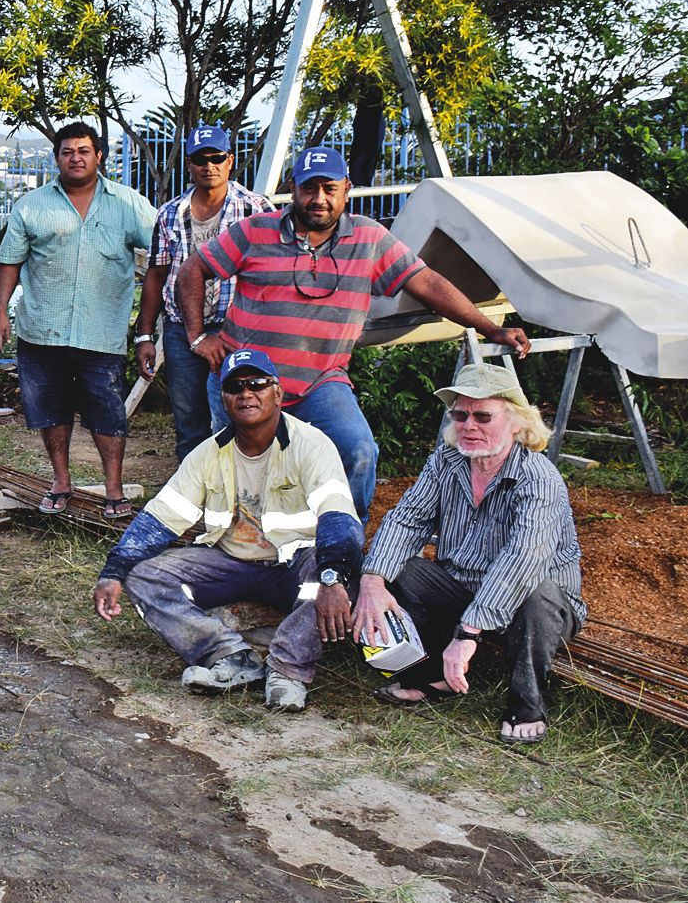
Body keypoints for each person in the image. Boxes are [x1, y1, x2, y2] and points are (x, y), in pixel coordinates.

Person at [178, 145, 530, 519]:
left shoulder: (369, 239)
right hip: (246, 382)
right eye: (309, 189)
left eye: (329, 189)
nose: (319, 199)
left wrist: (490, 328)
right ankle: (236, 548)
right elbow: (191, 271)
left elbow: (427, 283)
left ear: (347, 188)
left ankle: (343, 543)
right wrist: (199, 337)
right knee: (238, 474)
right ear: (293, 188)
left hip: (320, 382)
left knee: (358, 450)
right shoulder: (255, 231)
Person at [92, 350, 362, 712]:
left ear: (277, 394)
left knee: (340, 575)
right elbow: (160, 519)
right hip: (231, 564)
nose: (246, 394)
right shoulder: (208, 453)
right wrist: (113, 572)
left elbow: (338, 518)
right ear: (223, 399)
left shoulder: (311, 445)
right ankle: (231, 656)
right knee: (143, 576)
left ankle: (288, 669)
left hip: (294, 567)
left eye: (257, 384)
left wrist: (332, 578)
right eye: (235, 387)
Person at [356, 363, 584, 745]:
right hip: (463, 588)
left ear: (516, 423)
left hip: (535, 604)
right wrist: (372, 580)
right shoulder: (446, 461)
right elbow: (407, 520)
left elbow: (522, 561)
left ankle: (527, 704)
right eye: (460, 415)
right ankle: (432, 676)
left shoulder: (539, 479)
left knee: (536, 593)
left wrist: (468, 633)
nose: (469, 425)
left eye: (483, 416)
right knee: (398, 570)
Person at [0, 121, 157, 520]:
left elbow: (164, 251)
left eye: (84, 150)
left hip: (102, 333)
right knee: (52, 412)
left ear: (99, 156)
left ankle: (114, 490)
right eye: (67, 152)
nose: (76, 158)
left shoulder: (127, 204)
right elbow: (9, 263)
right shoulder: (32, 205)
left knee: (107, 414)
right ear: (57, 158)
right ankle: (61, 480)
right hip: (41, 331)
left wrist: (149, 321)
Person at [134, 126, 275, 461]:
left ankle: (239, 495)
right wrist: (144, 336)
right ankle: (193, 499)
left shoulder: (256, 209)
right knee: (188, 421)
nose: (208, 166)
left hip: (236, 331)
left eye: (216, 158)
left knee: (238, 417)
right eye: (200, 159)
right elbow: (157, 273)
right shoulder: (171, 213)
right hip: (182, 332)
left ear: (230, 161)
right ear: (189, 163)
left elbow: (276, 270)